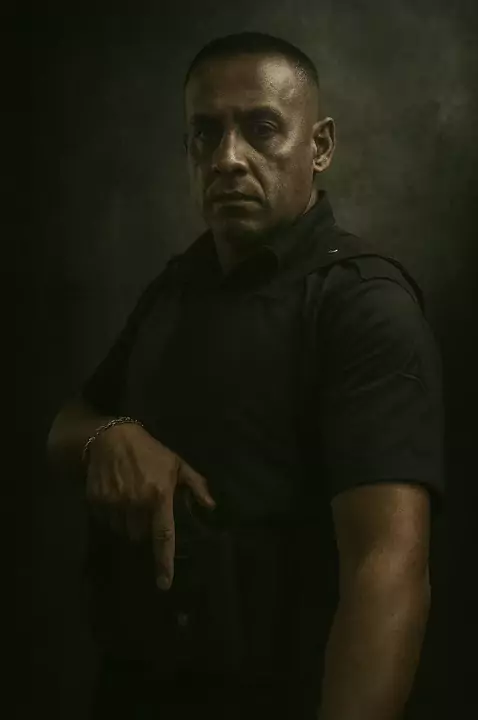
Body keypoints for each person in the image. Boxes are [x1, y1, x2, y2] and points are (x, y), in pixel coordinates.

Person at [47, 32, 444, 720]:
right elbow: (64, 427)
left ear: (319, 146)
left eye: (261, 129)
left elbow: (386, 569)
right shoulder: (176, 289)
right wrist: (110, 436)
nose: (228, 158)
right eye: (206, 134)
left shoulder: (362, 304)